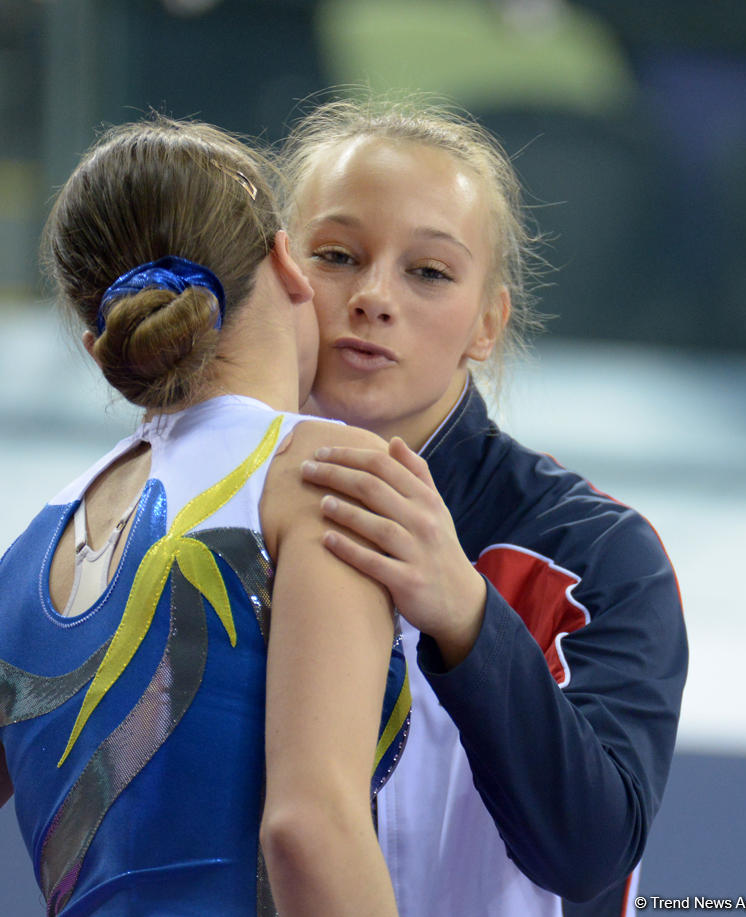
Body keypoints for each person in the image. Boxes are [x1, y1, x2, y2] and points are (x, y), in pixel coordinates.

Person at [0, 116, 405, 916]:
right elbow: (311, 828)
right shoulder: (320, 474)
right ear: (286, 261)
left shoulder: (30, 550)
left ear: (98, 329)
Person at [281, 94, 689, 915]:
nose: (373, 296)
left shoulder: (597, 557)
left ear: (486, 323)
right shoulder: (190, 514)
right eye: (335, 255)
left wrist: (466, 613)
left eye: (428, 271)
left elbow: (588, 852)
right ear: (281, 276)